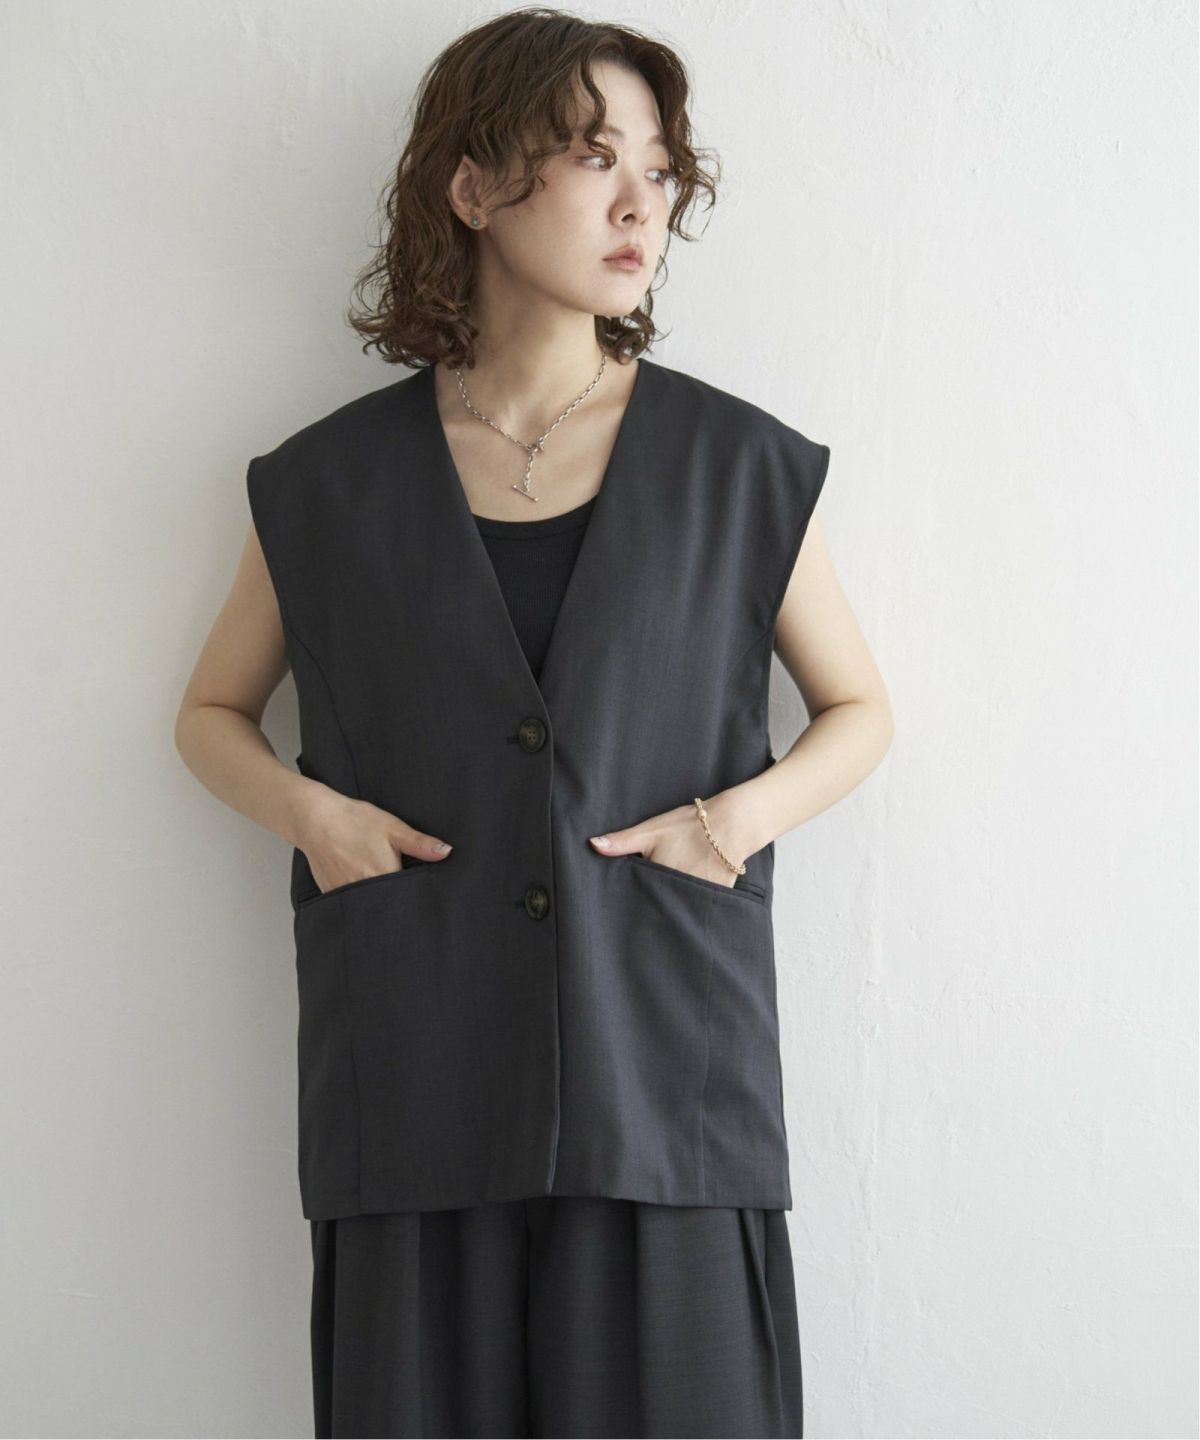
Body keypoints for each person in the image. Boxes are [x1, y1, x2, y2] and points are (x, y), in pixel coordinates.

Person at [175, 8, 893, 1437]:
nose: (641, 203)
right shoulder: (327, 485)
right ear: (474, 186)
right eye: (591, 157)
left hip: (666, 1074)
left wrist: (730, 826)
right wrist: (316, 820)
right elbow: (210, 714)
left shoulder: (737, 466)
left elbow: (859, 709)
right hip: (417, 1067)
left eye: (660, 169)